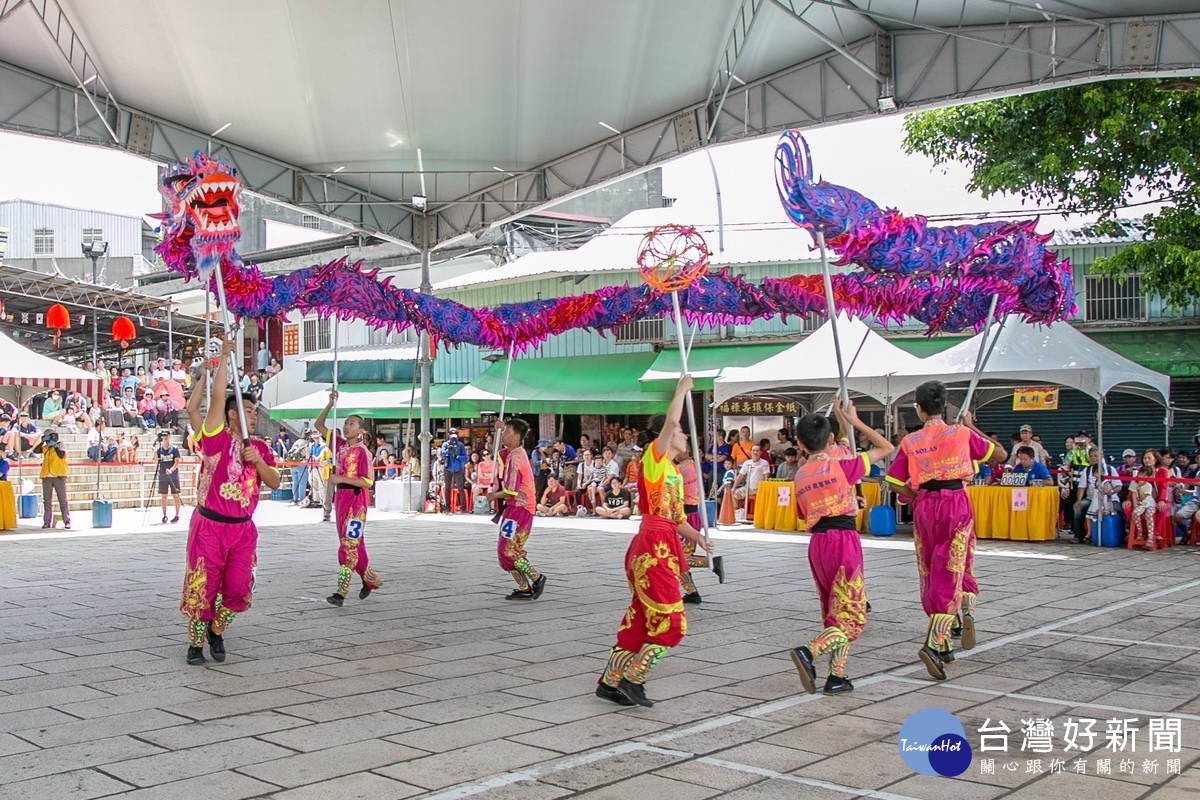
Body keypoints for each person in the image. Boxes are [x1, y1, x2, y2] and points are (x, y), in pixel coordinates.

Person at [595, 376, 713, 708]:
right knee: (672, 624)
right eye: (680, 431)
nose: (685, 435)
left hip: (661, 543)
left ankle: (610, 682)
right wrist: (680, 392)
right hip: (652, 548)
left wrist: (700, 539)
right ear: (667, 434)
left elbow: (675, 520)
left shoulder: (673, 473)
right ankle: (635, 678)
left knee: (641, 621)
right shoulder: (654, 458)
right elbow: (672, 420)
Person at [885, 380, 1005, 681]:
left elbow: (894, 480)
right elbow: (1000, 455)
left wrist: (918, 496)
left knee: (930, 567)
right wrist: (971, 425)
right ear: (945, 406)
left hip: (926, 506)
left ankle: (946, 639)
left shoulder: (911, 441)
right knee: (953, 567)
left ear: (919, 408)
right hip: (956, 502)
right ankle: (935, 641)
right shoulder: (962, 434)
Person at [179, 338, 280, 666]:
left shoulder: (260, 448)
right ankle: (195, 643)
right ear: (232, 414)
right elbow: (213, 401)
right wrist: (223, 358)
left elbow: (275, 481)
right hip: (209, 526)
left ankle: (216, 629)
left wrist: (258, 462)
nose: (254, 416)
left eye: (255, 411)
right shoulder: (216, 439)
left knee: (237, 590)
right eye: (248, 411)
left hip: (242, 530)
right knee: (202, 586)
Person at [789, 401, 893, 696]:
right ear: (831, 439)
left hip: (818, 544)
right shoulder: (841, 464)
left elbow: (806, 511)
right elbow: (885, 448)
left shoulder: (800, 474)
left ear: (799, 442)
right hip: (843, 541)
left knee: (834, 612)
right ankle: (809, 651)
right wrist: (854, 420)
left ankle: (836, 676)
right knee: (853, 616)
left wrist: (848, 501)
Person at [321, 391, 383, 606]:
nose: (347, 426)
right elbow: (320, 426)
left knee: (349, 544)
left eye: (352, 423)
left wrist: (341, 477)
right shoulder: (339, 446)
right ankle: (369, 579)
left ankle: (341, 591)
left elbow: (367, 481)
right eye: (346, 423)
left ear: (361, 430)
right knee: (354, 544)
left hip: (357, 502)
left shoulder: (362, 452)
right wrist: (330, 404)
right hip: (341, 499)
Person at [487, 417, 546, 600]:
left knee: (507, 549)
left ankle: (536, 577)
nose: (504, 435)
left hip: (520, 509)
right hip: (514, 509)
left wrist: (493, 496)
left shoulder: (516, 457)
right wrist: (498, 430)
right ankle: (523, 587)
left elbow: (511, 490)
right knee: (505, 550)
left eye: (507, 432)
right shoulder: (513, 453)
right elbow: (497, 452)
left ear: (516, 436)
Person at [675, 451, 707, 604]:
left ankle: (710, 562)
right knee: (681, 557)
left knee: (679, 558)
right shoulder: (695, 466)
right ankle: (692, 592)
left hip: (685, 515)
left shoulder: (679, 469)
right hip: (694, 513)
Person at [36, 429, 69, 529]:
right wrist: (42, 441)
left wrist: (55, 446)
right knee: (47, 501)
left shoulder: (60, 445)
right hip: (47, 476)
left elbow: (61, 455)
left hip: (58, 476)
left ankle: (67, 521)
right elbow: (35, 451)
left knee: (62, 500)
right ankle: (46, 522)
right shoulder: (45, 447)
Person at [733, 444, 772, 515]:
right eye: (753, 451)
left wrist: (765, 490)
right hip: (747, 488)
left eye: (757, 451)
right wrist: (733, 488)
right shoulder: (747, 463)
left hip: (759, 489)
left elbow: (766, 477)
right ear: (750, 452)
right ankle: (738, 512)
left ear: (760, 452)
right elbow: (740, 476)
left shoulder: (764, 463)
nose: (755, 452)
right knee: (733, 494)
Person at [155, 431, 183, 524]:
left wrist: (171, 470)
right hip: (163, 476)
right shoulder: (159, 450)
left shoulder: (174, 449)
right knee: (163, 496)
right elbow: (156, 462)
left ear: (169, 437)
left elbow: (177, 462)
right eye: (163, 436)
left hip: (173, 476)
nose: (164, 438)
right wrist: (154, 451)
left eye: (166, 436)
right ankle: (164, 515)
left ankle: (177, 515)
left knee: (176, 495)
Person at [439, 431, 468, 512]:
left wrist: (457, 456)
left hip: (457, 468)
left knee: (460, 488)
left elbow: (465, 457)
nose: (453, 439)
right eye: (452, 437)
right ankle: (447, 507)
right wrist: (448, 451)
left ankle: (463, 507)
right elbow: (441, 452)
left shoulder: (460, 445)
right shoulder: (445, 444)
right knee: (447, 488)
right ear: (448, 436)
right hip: (448, 468)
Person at [1130, 466, 1158, 544]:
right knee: (1135, 513)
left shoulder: (1148, 486)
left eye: (1145, 476)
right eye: (1141, 474)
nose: (1142, 477)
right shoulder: (1134, 482)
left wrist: (1139, 488)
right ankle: (1140, 531)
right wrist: (1135, 505)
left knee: (1148, 515)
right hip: (1141, 504)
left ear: (1148, 477)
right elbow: (1133, 494)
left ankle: (1150, 537)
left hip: (1149, 504)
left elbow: (1143, 498)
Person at [287, 433, 310, 506]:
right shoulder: (306, 444)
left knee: (295, 482)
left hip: (293, 464)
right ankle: (302, 499)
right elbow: (307, 456)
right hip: (301, 464)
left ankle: (295, 498)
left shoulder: (296, 442)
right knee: (302, 483)